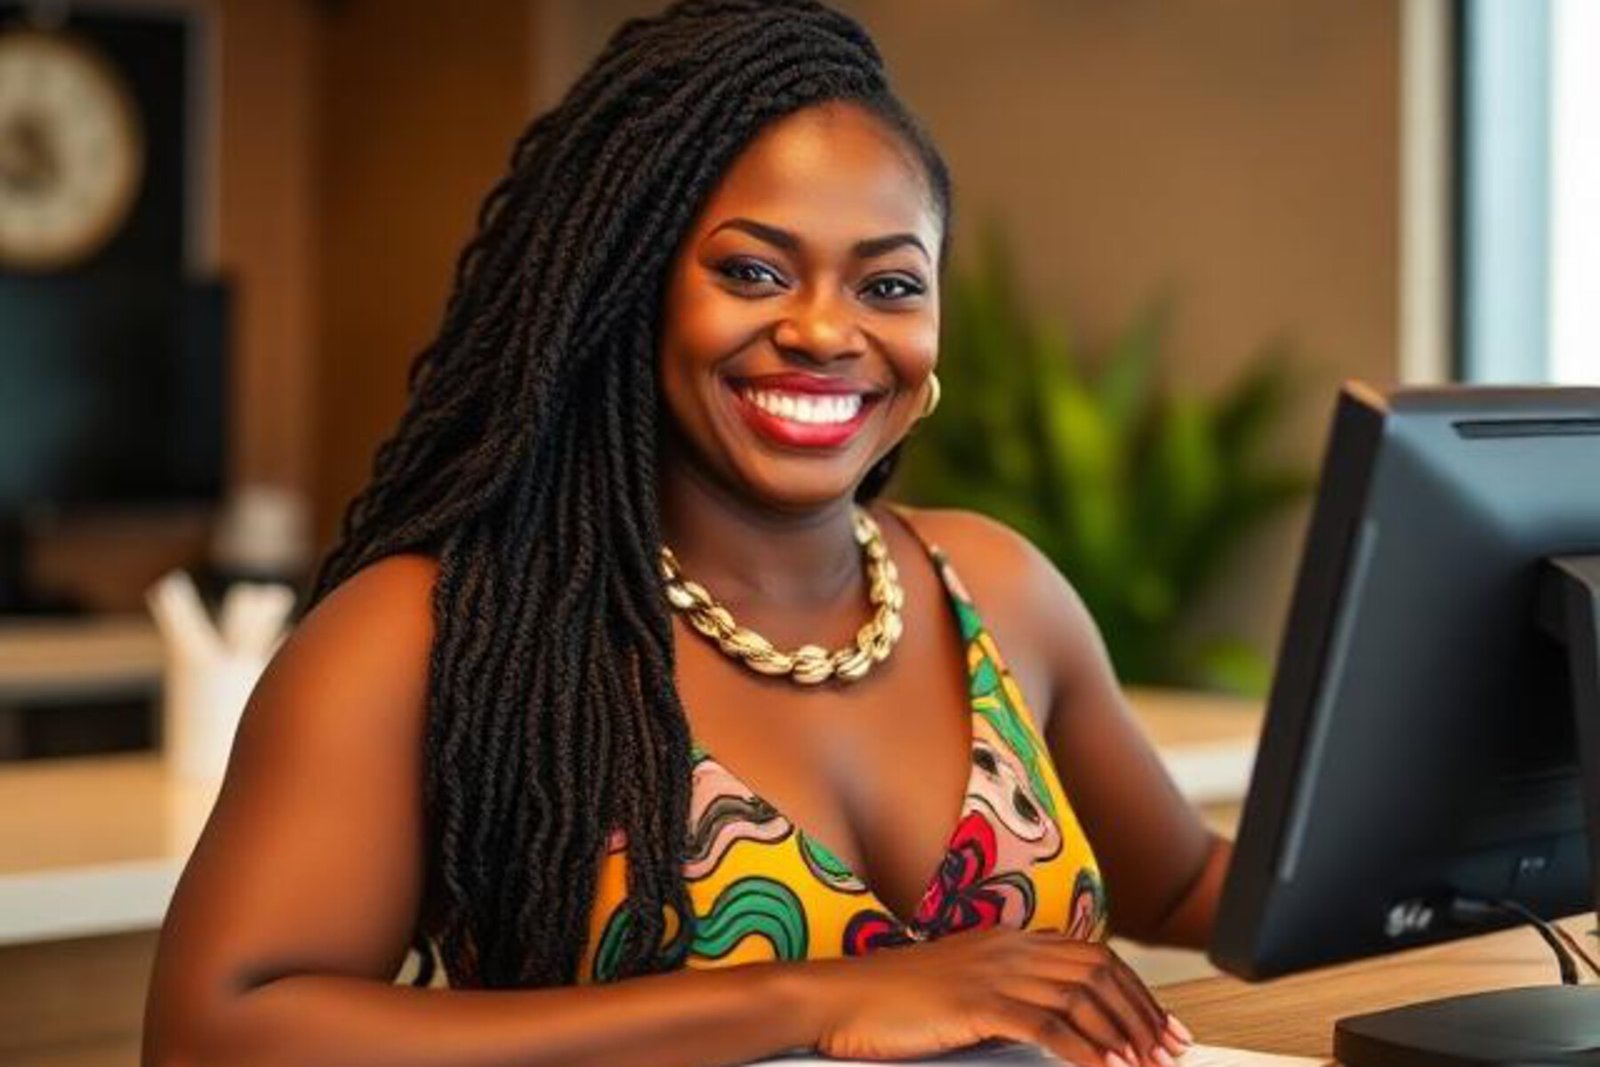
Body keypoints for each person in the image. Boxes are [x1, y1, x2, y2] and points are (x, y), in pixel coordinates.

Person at [142, 2, 1232, 1065]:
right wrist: (815, 996)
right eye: (752, 270)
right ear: (626, 292)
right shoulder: (431, 630)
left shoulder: (993, 583)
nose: (822, 329)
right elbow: (217, 1037)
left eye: (889, 283)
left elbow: (1181, 885)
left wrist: (1396, 856)